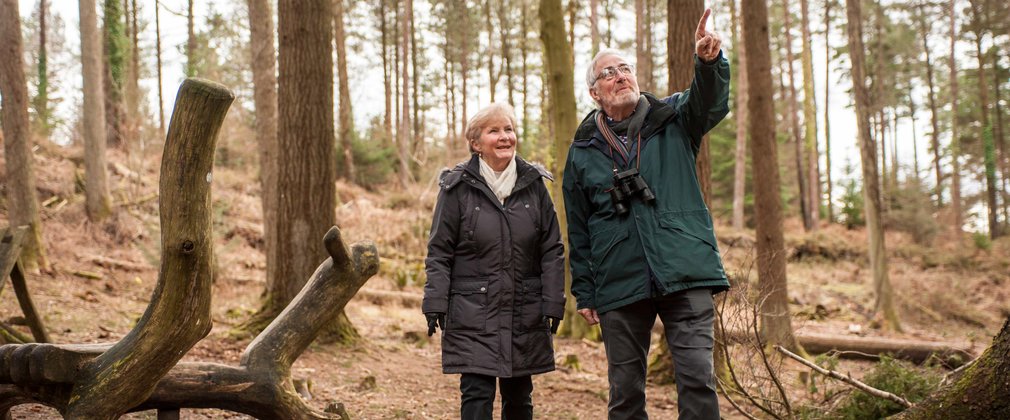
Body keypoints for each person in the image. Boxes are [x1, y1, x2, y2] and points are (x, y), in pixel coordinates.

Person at [561, 8, 730, 420]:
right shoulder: (582, 152)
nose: (619, 75)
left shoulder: (673, 119)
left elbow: (710, 103)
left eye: (625, 68)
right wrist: (585, 290)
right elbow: (579, 229)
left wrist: (708, 63)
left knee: (697, 380)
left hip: (684, 268)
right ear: (594, 94)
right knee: (625, 393)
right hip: (619, 279)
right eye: (608, 73)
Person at [423, 103, 566, 420]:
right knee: (476, 395)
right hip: (472, 312)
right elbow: (440, 251)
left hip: (523, 310)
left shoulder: (535, 186)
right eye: (494, 131)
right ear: (476, 143)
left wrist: (553, 302)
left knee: (519, 398)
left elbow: (552, 249)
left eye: (509, 129)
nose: (505, 137)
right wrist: (435, 301)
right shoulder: (456, 188)